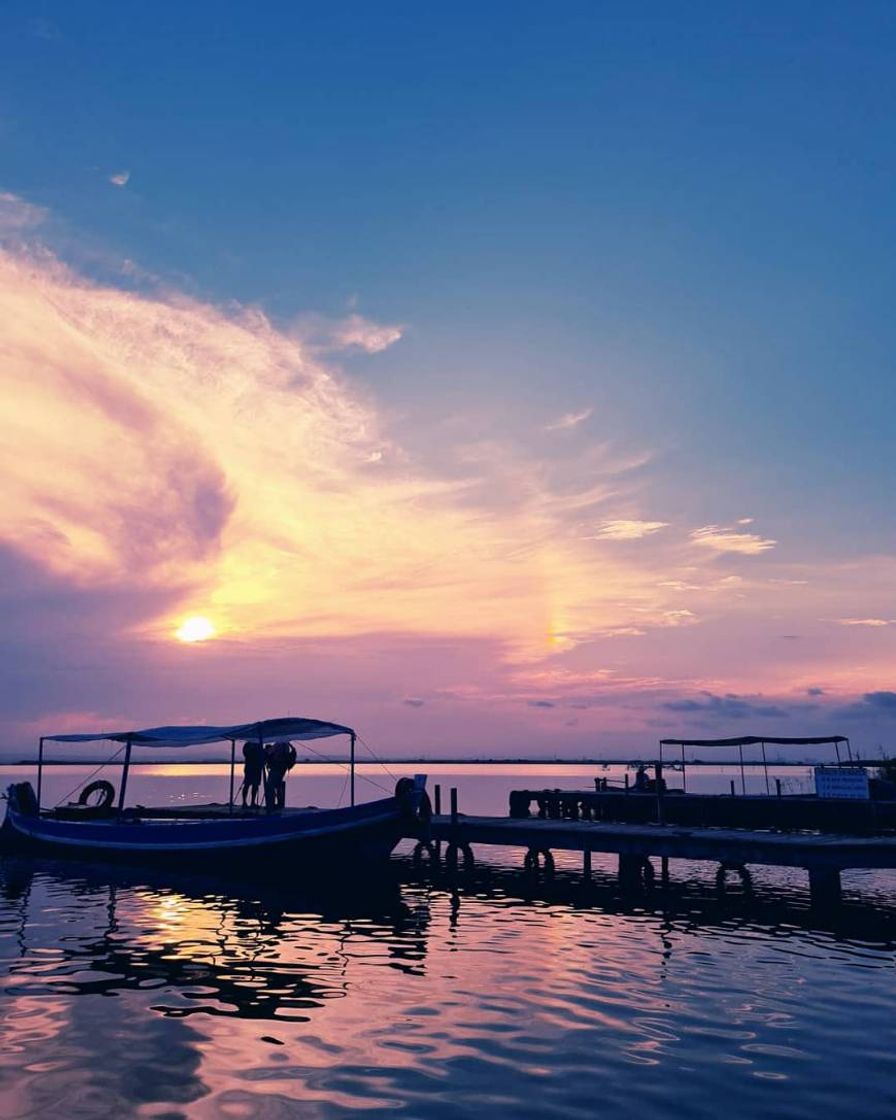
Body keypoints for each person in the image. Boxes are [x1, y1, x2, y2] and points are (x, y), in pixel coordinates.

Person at [264, 740, 297, 811]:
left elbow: (269, 753)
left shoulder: (278, 744)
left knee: (271, 785)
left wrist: (266, 751)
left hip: (276, 768)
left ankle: (271, 804)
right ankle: (279, 804)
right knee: (278, 785)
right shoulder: (286, 745)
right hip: (282, 768)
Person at [241, 740, 265, 808]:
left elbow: (262, 755)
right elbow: (246, 754)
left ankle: (252, 802)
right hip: (249, 768)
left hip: (257, 768)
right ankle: (244, 802)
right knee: (247, 785)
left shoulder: (259, 745)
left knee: (255, 785)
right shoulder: (248, 744)